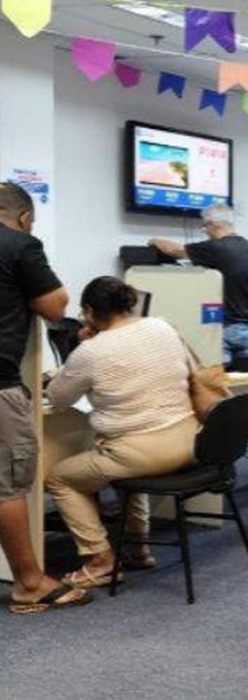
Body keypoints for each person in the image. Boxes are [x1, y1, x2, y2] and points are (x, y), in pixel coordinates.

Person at [46, 276, 199, 588]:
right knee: (122, 460)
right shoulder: (162, 326)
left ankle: (100, 559)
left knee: (60, 478)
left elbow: (59, 398)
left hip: (139, 453)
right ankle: (139, 548)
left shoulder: (91, 351)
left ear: (89, 312)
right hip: (191, 443)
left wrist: (85, 346)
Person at [0, 183, 91, 613]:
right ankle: (30, 584)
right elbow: (56, 307)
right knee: (7, 486)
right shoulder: (19, 243)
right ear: (23, 218)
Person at [148, 203, 248, 365]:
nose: (205, 231)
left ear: (213, 225)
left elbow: (175, 250)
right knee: (240, 375)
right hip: (247, 330)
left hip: (224, 329)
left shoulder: (217, 247)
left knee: (215, 377)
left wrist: (154, 240)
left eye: (204, 227)